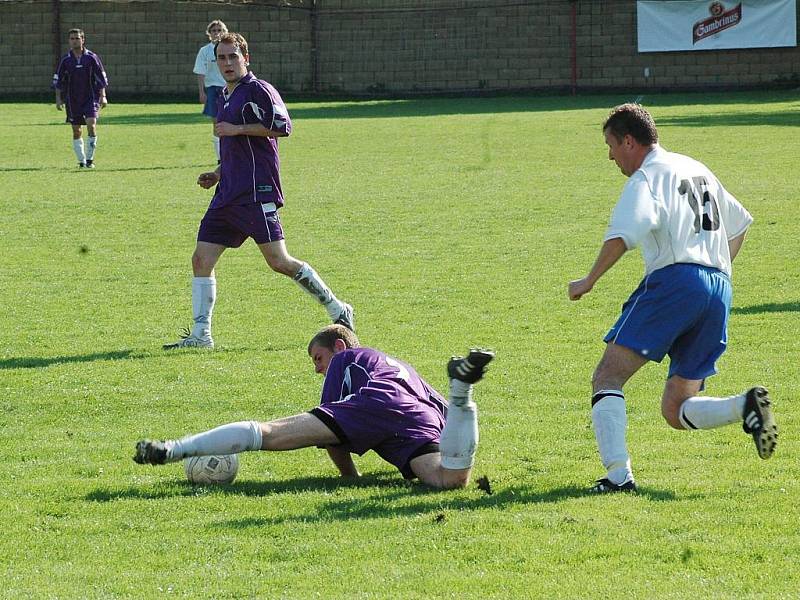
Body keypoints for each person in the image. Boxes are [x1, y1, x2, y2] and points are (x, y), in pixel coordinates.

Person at [568, 103, 777, 494]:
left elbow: (624, 234)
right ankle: (745, 405)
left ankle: (618, 479)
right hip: (719, 288)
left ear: (629, 141)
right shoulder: (696, 168)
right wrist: (715, 269)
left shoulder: (648, 178)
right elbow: (740, 224)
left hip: (675, 282)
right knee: (675, 409)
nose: (610, 155)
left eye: (611, 145)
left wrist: (589, 279)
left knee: (607, 376)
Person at [164, 32, 353, 349]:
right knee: (201, 260)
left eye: (232, 56)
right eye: (221, 58)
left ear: (245, 58)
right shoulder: (225, 95)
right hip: (227, 194)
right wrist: (217, 173)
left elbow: (283, 126)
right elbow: (236, 149)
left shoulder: (260, 90)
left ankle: (338, 308)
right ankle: (201, 335)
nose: (226, 63)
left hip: (256, 192)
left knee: (279, 261)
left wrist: (237, 129)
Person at [138, 325, 494, 489]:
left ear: (338, 347)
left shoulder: (348, 359)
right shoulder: (400, 366)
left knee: (271, 433)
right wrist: (456, 411)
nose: (318, 368)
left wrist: (349, 477)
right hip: (423, 413)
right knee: (449, 479)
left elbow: (332, 437)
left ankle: (173, 450)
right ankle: (463, 390)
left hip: (379, 401)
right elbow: (441, 416)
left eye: (318, 358)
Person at [52, 28, 108, 169]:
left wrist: (103, 96)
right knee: (76, 130)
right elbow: (59, 81)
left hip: (91, 97)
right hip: (73, 99)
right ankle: (81, 161)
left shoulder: (91, 57)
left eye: (77, 38)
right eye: (72, 38)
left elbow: (100, 78)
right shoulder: (66, 60)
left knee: (91, 124)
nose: (75, 41)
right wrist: (58, 99)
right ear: (69, 41)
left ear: (83, 40)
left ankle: (90, 159)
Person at [193, 20, 228, 161]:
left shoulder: (228, 48)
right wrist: (202, 92)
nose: (217, 33)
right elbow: (200, 72)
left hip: (228, 88)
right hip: (213, 90)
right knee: (217, 123)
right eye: (214, 30)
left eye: (219, 30)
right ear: (209, 33)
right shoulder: (205, 51)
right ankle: (221, 157)